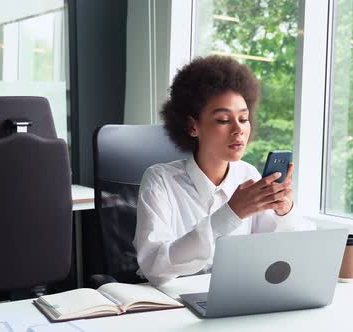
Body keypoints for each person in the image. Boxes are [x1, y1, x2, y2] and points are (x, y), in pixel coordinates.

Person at [133, 55, 315, 286]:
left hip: (236, 297)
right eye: (223, 120)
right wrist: (231, 213)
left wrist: (284, 211)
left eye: (244, 118)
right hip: (174, 305)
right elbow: (155, 267)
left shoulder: (248, 176)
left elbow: (282, 256)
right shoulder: (160, 181)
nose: (239, 129)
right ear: (192, 126)